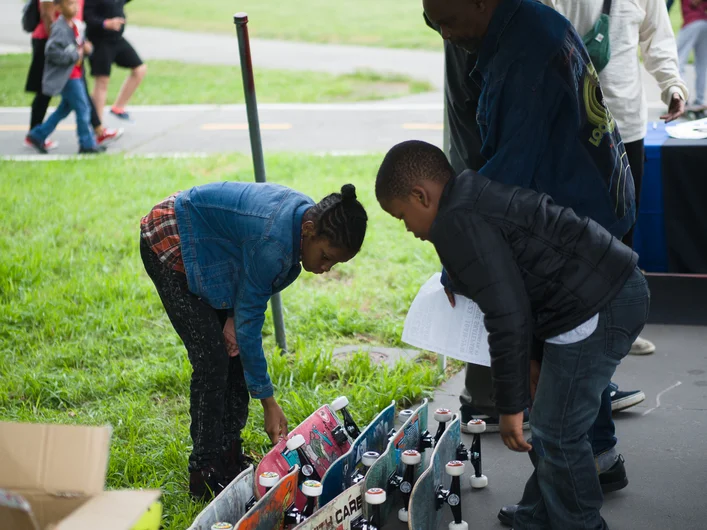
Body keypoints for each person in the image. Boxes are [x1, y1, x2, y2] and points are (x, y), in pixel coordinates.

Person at [421, 0, 640, 523]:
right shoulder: (530, 22)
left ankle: (582, 492)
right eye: (434, 29)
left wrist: (460, 252)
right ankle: (549, 503)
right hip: (590, 218)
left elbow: (506, 176)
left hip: (581, 240)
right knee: (563, 400)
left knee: (560, 418)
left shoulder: (522, 52)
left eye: (448, 21)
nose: (447, 37)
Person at [376, 139, 650, 530]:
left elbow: (507, 313)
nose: (407, 229)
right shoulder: (470, 196)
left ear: (421, 196)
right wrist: (533, 362)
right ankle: (543, 513)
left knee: (557, 434)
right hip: (596, 293)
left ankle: (580, 524)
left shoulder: (454, 223)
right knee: (552, 420)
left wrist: (509, 407)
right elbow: (528, 283)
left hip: (600, 303)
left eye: (401, 216)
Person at [140, 182, 368, 499]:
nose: (326, 268)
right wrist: (268, 402)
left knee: (232, 353)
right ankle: (204, 473)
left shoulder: (300, 225)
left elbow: (250, 287)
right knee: (212, 360)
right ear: (309, 229)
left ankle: (229, 454)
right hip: (171, 235)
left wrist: (233, 316)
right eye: (326, 256)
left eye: (335, 264)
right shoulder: (273, 243)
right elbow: (250, 324)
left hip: (215, 245)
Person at [541, 0, 687, 356]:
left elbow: (657, 36)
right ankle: (570, 330)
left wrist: (672, 86)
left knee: (623, 232)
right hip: (569, 126)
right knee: (570, 232)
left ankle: (617, 328)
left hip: (626, 126)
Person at [24, 0, 122, 150]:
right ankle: (87, 144)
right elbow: (54, 48)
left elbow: (78, 44)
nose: (75, 7)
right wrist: (75, 52)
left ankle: (38, 134)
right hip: (67, 72)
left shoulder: (75, 25)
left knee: (66, 107)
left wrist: (84, 48)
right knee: (82, 108)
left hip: (74, 69)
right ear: (59, 7)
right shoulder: (60, 28)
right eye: (70, 4)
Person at [84, 0, 146, 121]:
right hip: (100, 41)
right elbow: (86, 16)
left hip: (117, 39)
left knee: (140, 69)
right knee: (102, 81)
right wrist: (105, 23)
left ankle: (118, 107)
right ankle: (97, 126)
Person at [677, 0, 707, 113]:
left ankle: (682, 99)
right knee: (702, 64)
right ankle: (700, 100)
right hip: (704, 23)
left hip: (691, 22)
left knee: (677, 61)